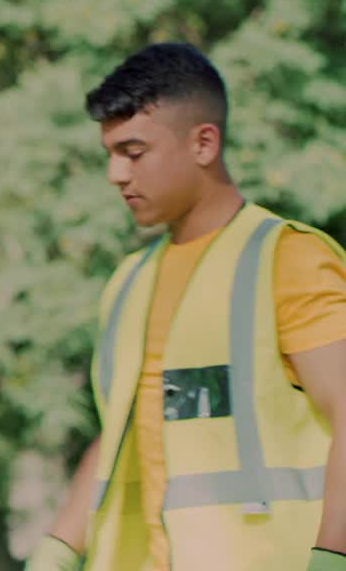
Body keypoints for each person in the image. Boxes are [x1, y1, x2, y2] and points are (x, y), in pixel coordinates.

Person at [25, 43, 346, 571]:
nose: (115, 175)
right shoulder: (128, 282)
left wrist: (332, 555)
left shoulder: (286, 259)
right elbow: (121, 431)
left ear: (203, 143)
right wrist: (57, 549)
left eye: (133, 152)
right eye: (108, 154)